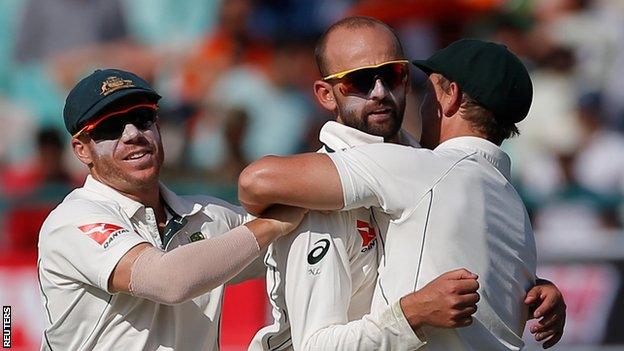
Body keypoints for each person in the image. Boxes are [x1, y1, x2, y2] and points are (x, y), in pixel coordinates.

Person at [244, 18, 565, 350]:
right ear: (325, 95)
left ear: (449, 96)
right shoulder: (510, 200)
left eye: (394, 75)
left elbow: (256, 181)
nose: (380, 92)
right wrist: (413, 312)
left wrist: (524, 291)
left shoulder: (425, 169)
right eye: (360, 81)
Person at [37, 68, 307, 350]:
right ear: (82, 150)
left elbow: (304, 237)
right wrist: (272, 225)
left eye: (142, 118)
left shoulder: (208, 213)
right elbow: (169, 280)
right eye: (111, 127)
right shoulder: (71, 220)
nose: (133, 134)